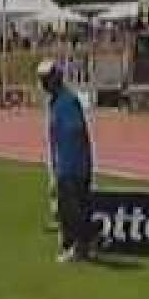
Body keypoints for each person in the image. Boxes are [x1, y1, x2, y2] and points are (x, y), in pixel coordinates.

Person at [36, 59, 96, 262]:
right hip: (63, 164)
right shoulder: (55, 102)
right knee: (66, 209)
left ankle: (79, 247)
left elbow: (75, 132)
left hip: (73, 165)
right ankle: (75, 245)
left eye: (46, 79)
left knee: (73, 210)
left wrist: (68, 166)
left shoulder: (67, 101)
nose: (43, 84)